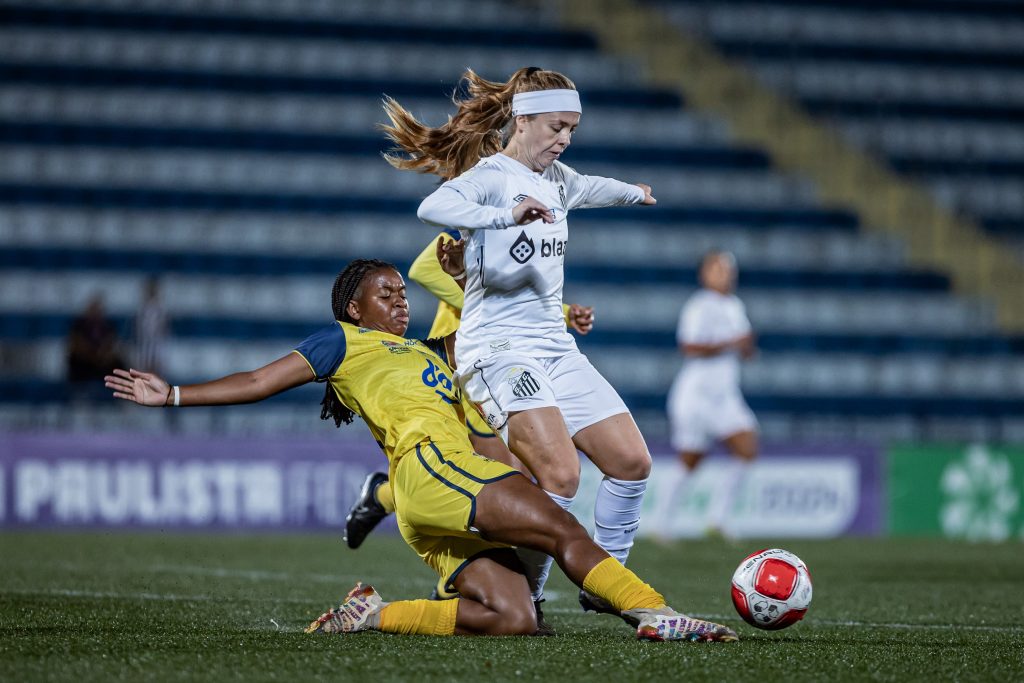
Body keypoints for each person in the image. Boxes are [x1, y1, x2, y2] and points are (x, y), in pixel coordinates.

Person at [104, 258, 737, 642]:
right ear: (355, 307)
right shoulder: (343, 342)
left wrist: (551, 318)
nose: (401, 300)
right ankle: (654, 612)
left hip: (433, 488)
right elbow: (257, 381)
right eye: (387, 293)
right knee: (561, 526)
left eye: (404, 294)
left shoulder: (431, 355)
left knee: (513, 617)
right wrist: (175, 395)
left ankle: (372, 614)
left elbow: (484, 359)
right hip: (430, 469)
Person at [381, 66, 657, 616]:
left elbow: (592, 187)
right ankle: (520, 596)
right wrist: (504, 216)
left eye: (573, 130)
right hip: (497, 350)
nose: (565, 139)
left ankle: (604, 580)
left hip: (555, 347)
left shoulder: (559, 179)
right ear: (523, 119)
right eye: (557, 127)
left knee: (631, 462)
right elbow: (430, 207)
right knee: (562, 474)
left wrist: (634, 193)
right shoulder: (493, 175)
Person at [344, 230, 596, 551]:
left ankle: (382, 496)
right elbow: (424, 267)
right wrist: (483, 307)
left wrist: (562, 313)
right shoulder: (476, 228)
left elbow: (519, 302)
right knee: (502, 487)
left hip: (498, 364)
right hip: (459, 367)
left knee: (502, 483)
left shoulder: (518, 237)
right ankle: (480, 586)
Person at [659, 250, 758, 538]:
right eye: (718, 269)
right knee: (691, 459)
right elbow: (689, 346)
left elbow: (745, 349)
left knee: (747, 446)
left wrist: (746, 346)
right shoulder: (699, 305)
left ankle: (717, 520)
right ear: (705, 274)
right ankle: (661, 523)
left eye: (728, 270)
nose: (725, 275)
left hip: (724, 395)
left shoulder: (735, 305)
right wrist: (731, 342)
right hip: (697, 395)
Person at [67, 293, 125, 399]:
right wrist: (91, 354)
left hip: (102, 361)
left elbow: (112, 343)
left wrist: (103, 354)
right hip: (85, 360)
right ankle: (77, 394)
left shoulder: (108, 325)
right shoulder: (79, 325)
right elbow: (76, 344)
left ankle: (120, 396)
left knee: (118, 363)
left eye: (98, 309)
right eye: (93, 308)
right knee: (74, 360)